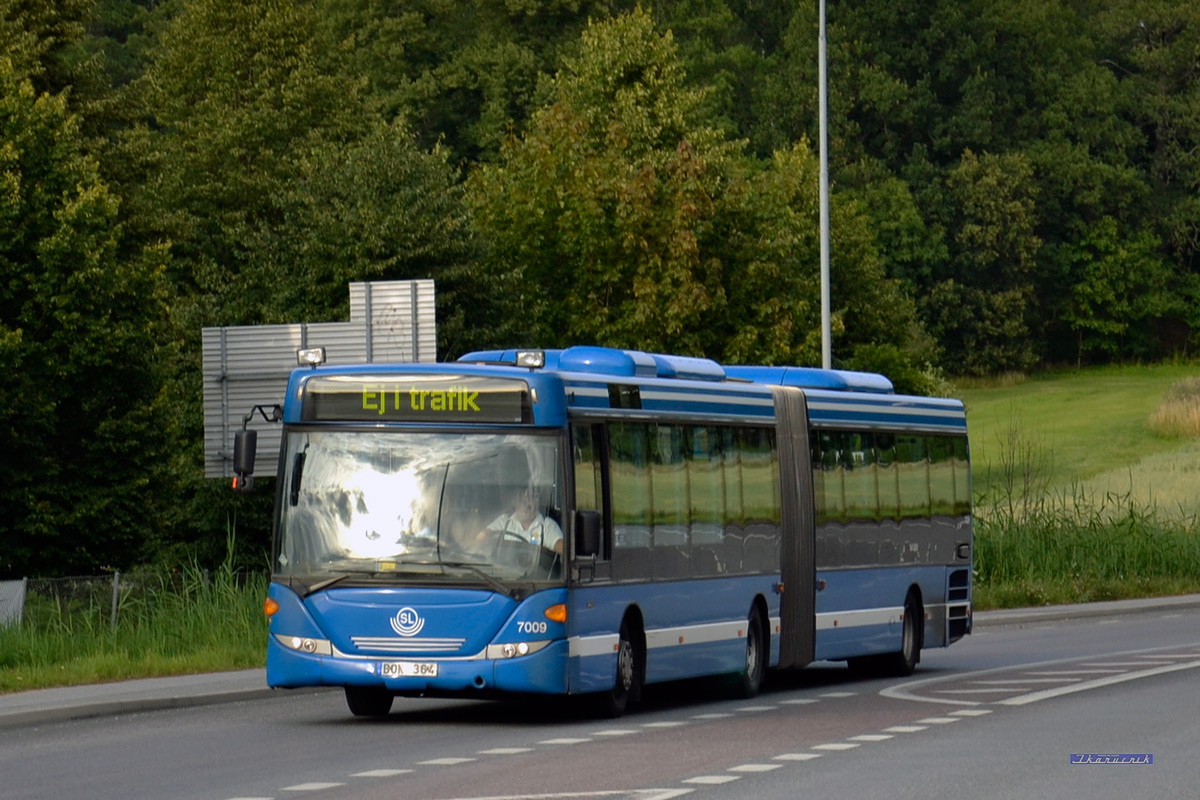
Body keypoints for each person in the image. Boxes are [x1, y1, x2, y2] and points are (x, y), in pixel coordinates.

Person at [479, 485, 563, 555]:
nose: (525, 505)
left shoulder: (547, 526)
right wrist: (483, 535)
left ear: (537, 502)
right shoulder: (504, 522)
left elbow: (563, 548)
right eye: (521, 500)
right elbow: (482, 537)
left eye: (529, 500)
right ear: (514, 502)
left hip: (536, 574)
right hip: (503, 572)